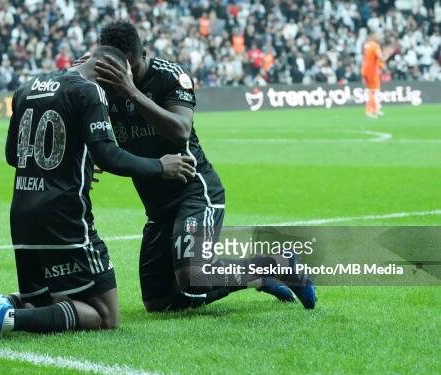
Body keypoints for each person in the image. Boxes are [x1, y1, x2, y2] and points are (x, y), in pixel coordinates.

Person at [0, 46, 197, 344]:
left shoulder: (26, 88)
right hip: (64, 215)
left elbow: (13, 155)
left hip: (22, 213)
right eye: (121, 84)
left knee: (45, 302)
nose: (121, 94)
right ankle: (5, 317)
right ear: (109, 72)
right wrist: (161, 166)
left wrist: (76, 161)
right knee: (105, 315)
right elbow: (109, 156)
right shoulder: (89, 91)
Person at [93, 21, 316, 312]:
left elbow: (181, 130)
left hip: (194, 192)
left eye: (132, 67)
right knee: (160, 303)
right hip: (157, 207)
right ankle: (257, 275)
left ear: (144, 53)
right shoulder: (103, 82)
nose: (126, 75)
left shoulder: (169, 76)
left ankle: (278, 263)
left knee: (192, 277)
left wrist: (132, 91)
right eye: (119, 69)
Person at [361, 32, 385, 118]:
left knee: (374, 91)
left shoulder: (367, 45)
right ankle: (369, 111)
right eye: (378, 36)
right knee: (373, 91)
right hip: (372, 72)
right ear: (373, 36)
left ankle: (376, 109)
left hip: (366, 70)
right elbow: (380, 57)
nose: (379, 37)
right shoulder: (375, 46)